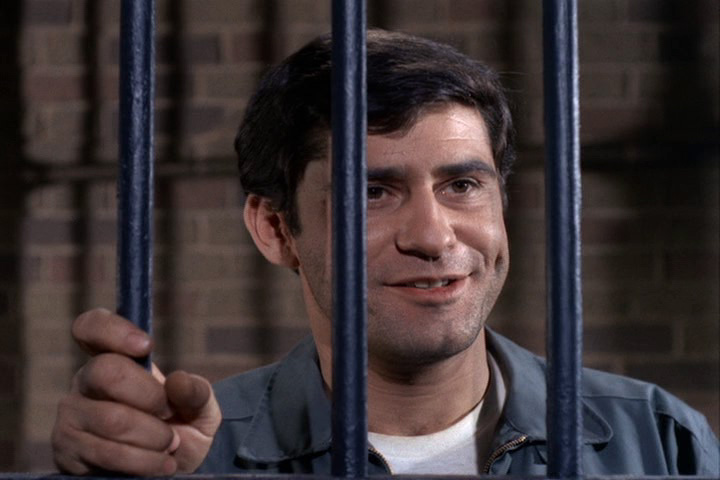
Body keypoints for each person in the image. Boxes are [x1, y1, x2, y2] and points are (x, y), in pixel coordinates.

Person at [51, 30, 719, 476]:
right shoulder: (195, 455)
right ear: (275, 229)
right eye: (373, 192)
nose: (432, 236)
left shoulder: (660, 442)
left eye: (462, 186)